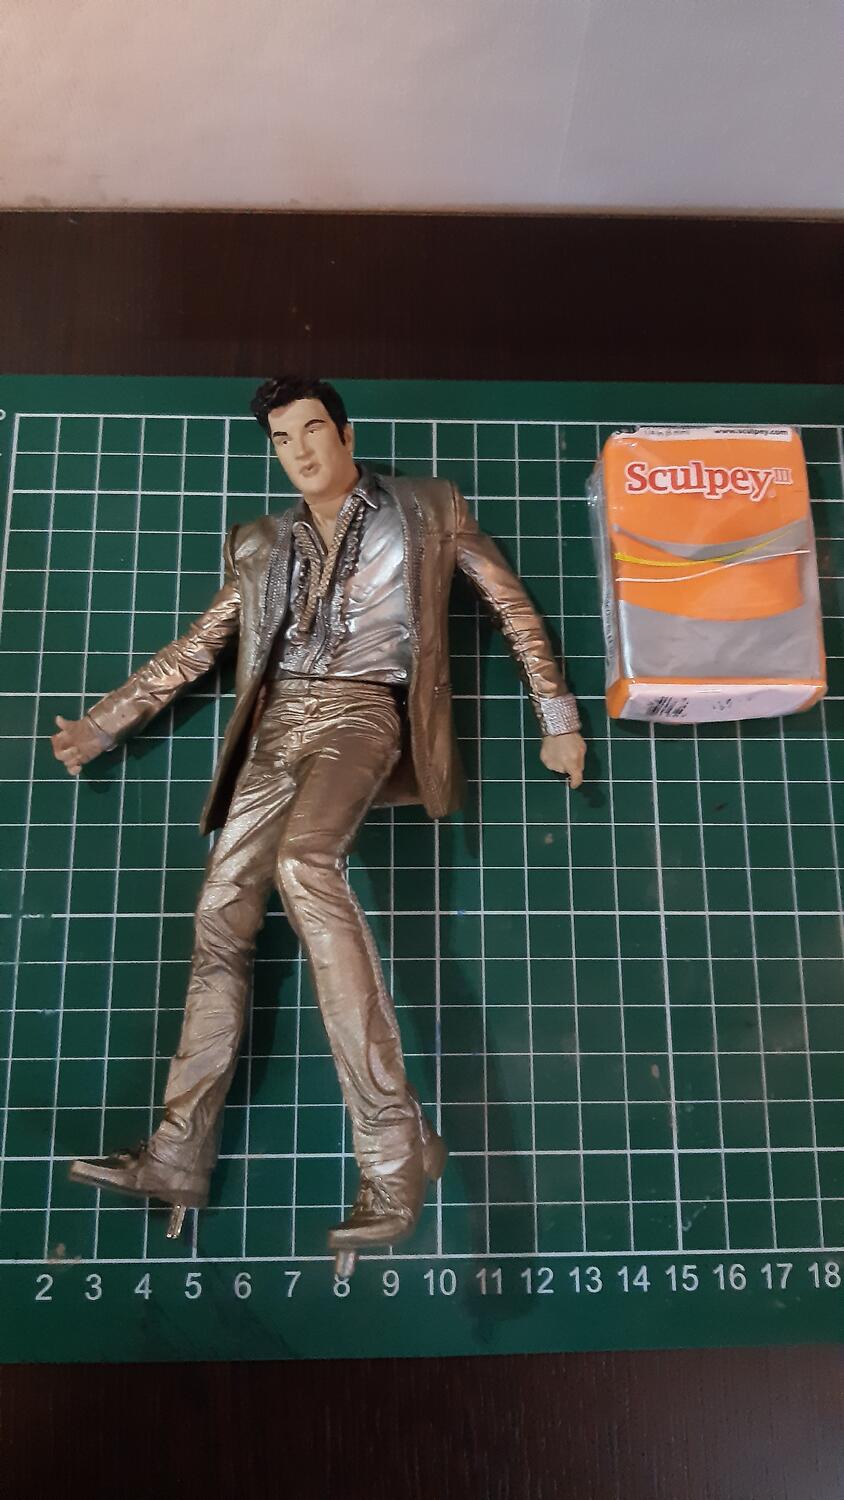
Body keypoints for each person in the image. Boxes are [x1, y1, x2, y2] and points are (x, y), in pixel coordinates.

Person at [53, 376, 586, 1272]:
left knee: (306, 864)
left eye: (310, 430)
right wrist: (106, 723)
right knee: (220, 916)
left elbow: (511, 607)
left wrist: (558, 717)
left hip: (362, 715)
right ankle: (177, 1154)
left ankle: (395, 1150)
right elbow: (202, 643)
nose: (298, 451)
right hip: (277, 729)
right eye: (281, 439)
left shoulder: (427, 507)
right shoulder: (259, 542)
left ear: (345, 433)